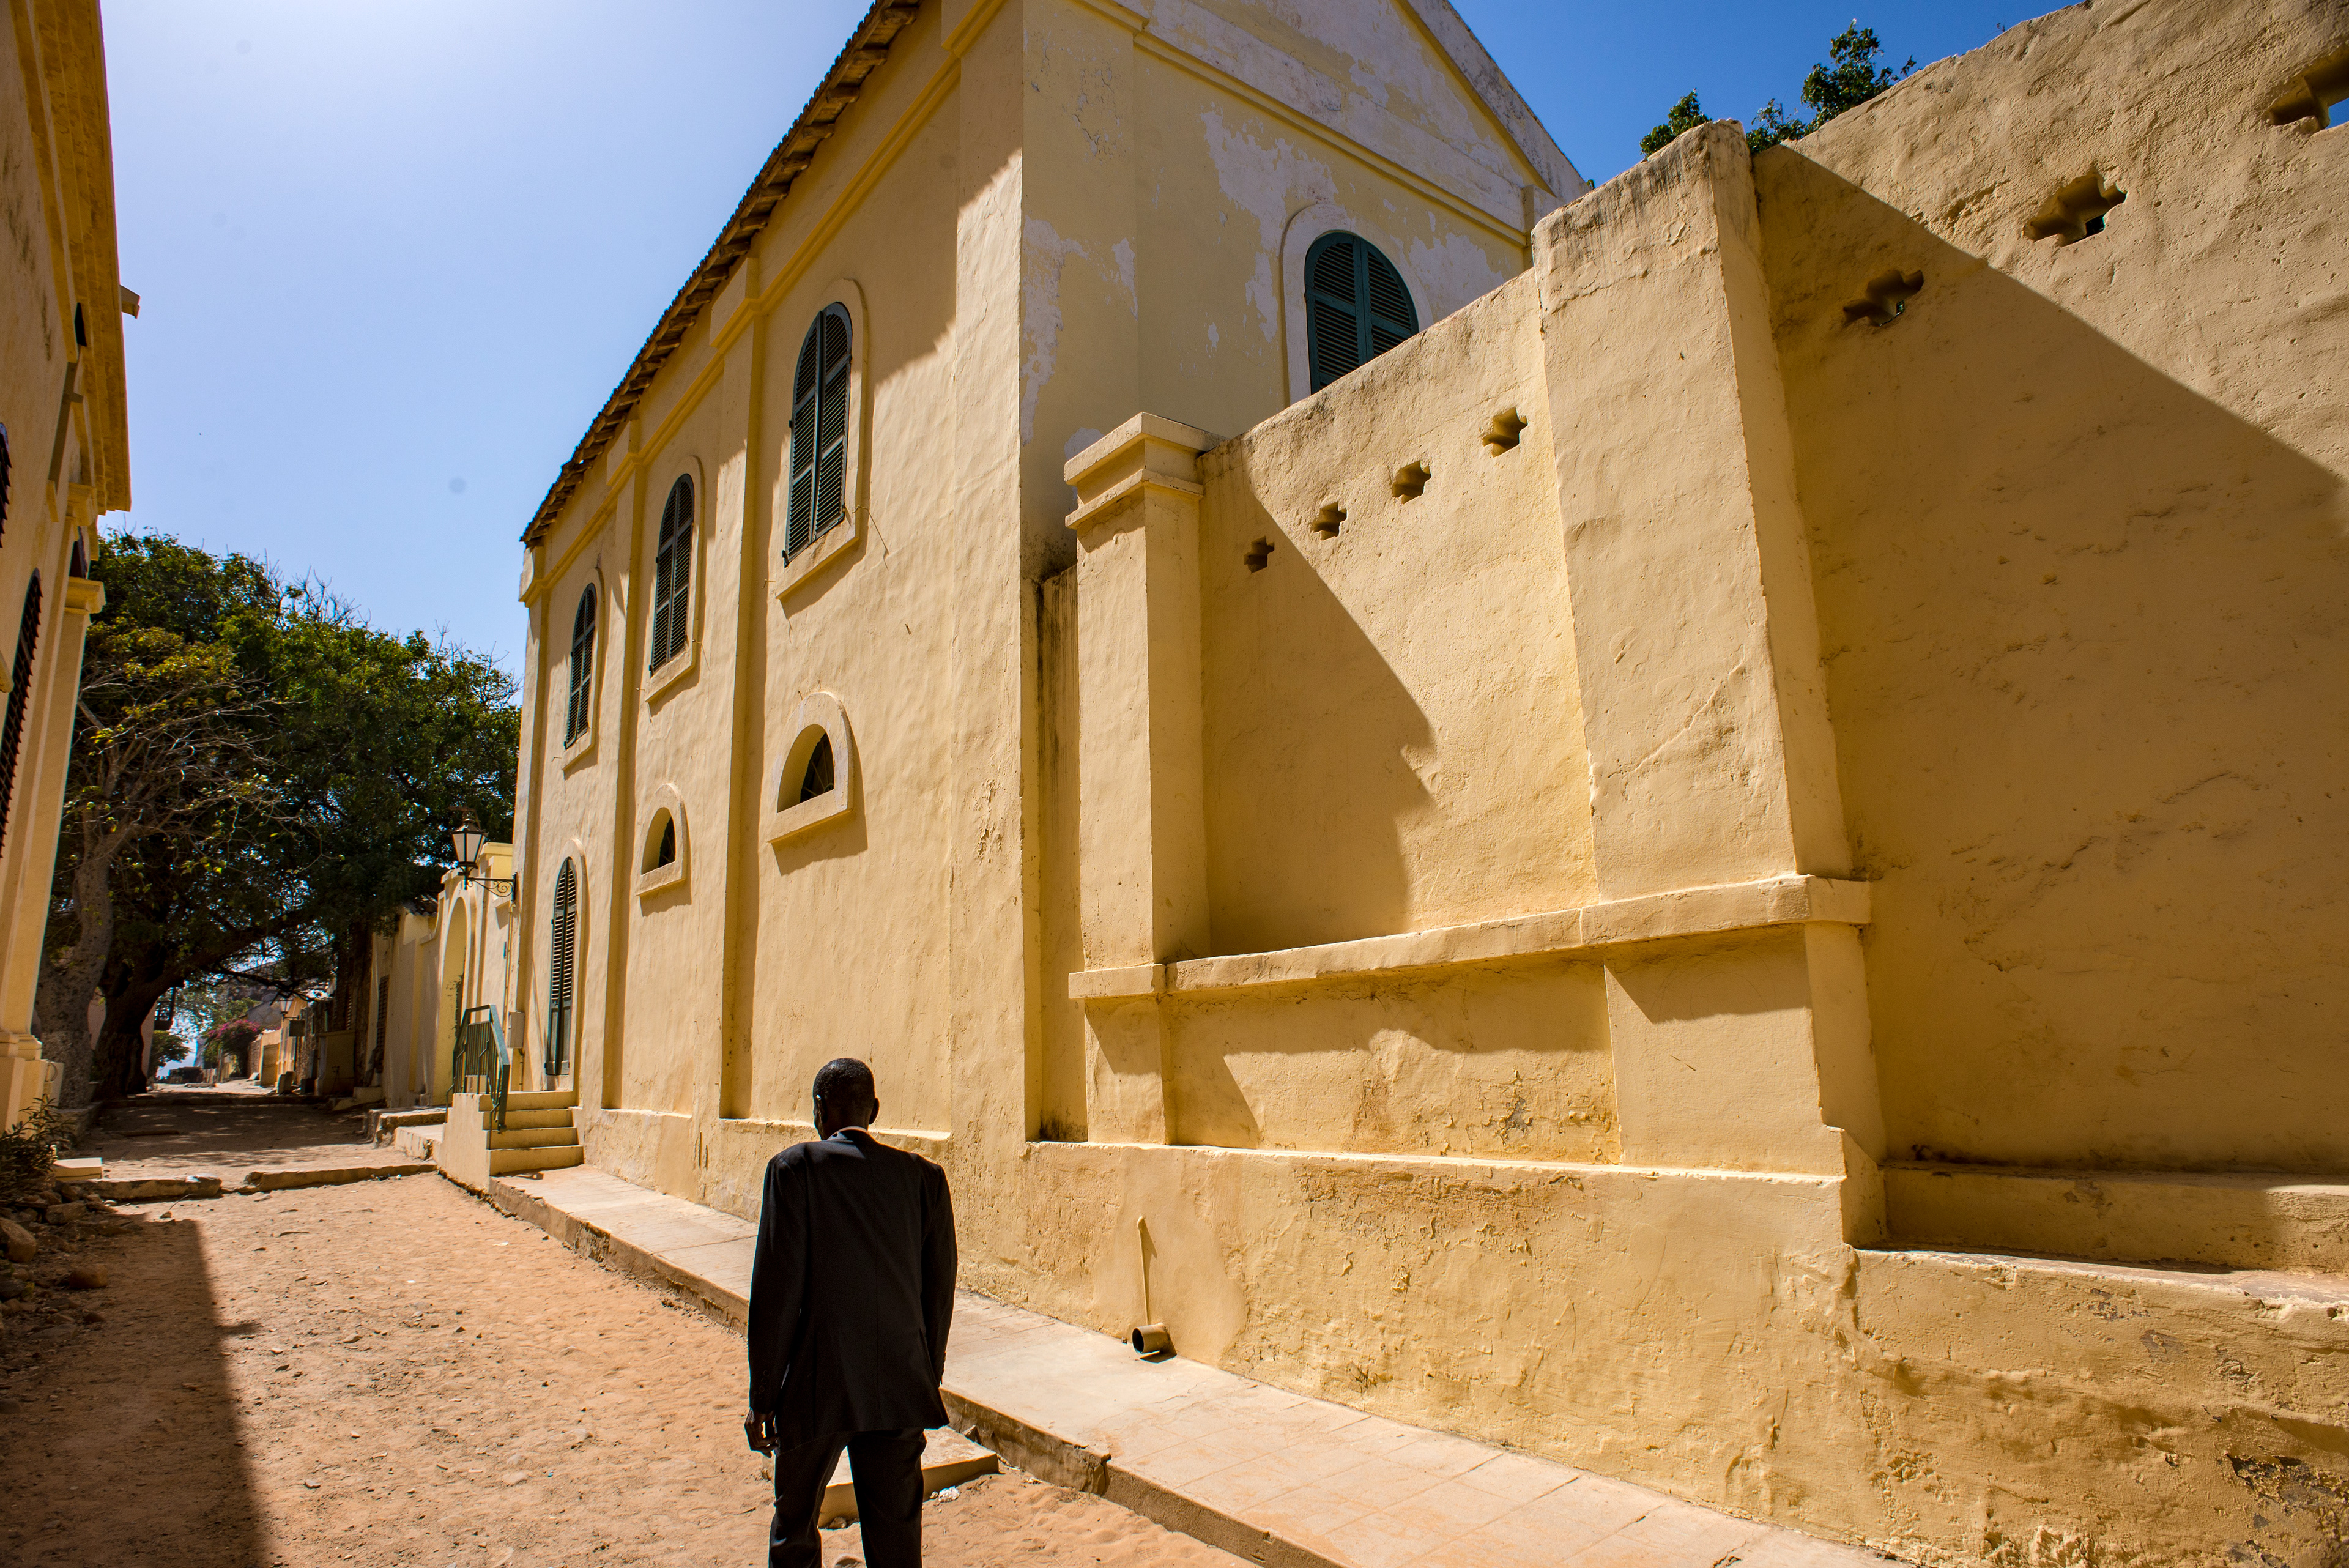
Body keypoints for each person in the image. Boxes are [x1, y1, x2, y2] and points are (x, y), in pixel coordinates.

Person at [745, 1057, 957, 1568]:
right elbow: (939, 1288)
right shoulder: (924, 1179)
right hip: (899, 1381)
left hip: (818, 1384)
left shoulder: (793, 1170)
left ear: (819, 1112)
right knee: (896, 1533)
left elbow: (775, 1292)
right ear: (875, 1110)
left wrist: (763, 1396)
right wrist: (927, 1370)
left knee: (794, 1524)